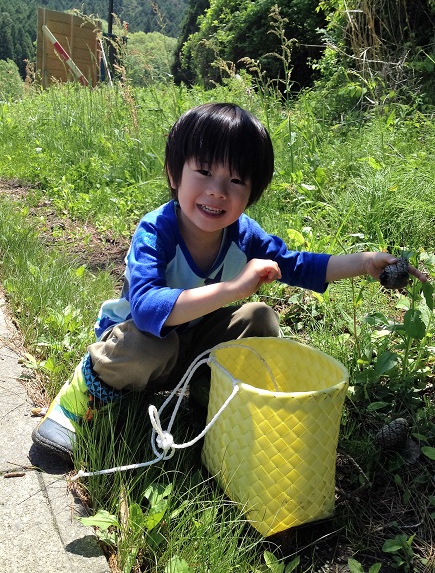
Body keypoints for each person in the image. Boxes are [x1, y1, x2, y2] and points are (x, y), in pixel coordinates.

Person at [32, 102, 427, 461]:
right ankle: (80, 397)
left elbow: (301, 265)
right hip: (136, 342)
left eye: (236, 181)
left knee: (259, 318)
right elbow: (148, 308)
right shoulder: (157, 231)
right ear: (174, 172)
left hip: (191, 343)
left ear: (252, 191)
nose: (217, 192)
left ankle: (208, 398)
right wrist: (234, 288)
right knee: (147, 345)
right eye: (203, 171)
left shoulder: (244, 234)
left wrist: (366, 263)